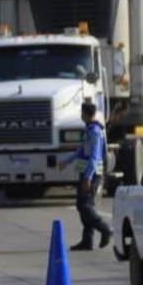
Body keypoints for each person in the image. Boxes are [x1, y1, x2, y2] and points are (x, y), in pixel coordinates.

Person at [60, 102, 113, 250]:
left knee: (84, 205)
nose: (80, 115)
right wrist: (66, 162)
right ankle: (87, 240)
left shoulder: (95, 131)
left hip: (92, 173)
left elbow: (95, 157)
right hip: (85, 171)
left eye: (81, 112)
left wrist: (88, 177)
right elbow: (81, 151)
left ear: (86, 114)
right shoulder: (88, 129)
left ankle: (105, 229)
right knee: (83, 205)